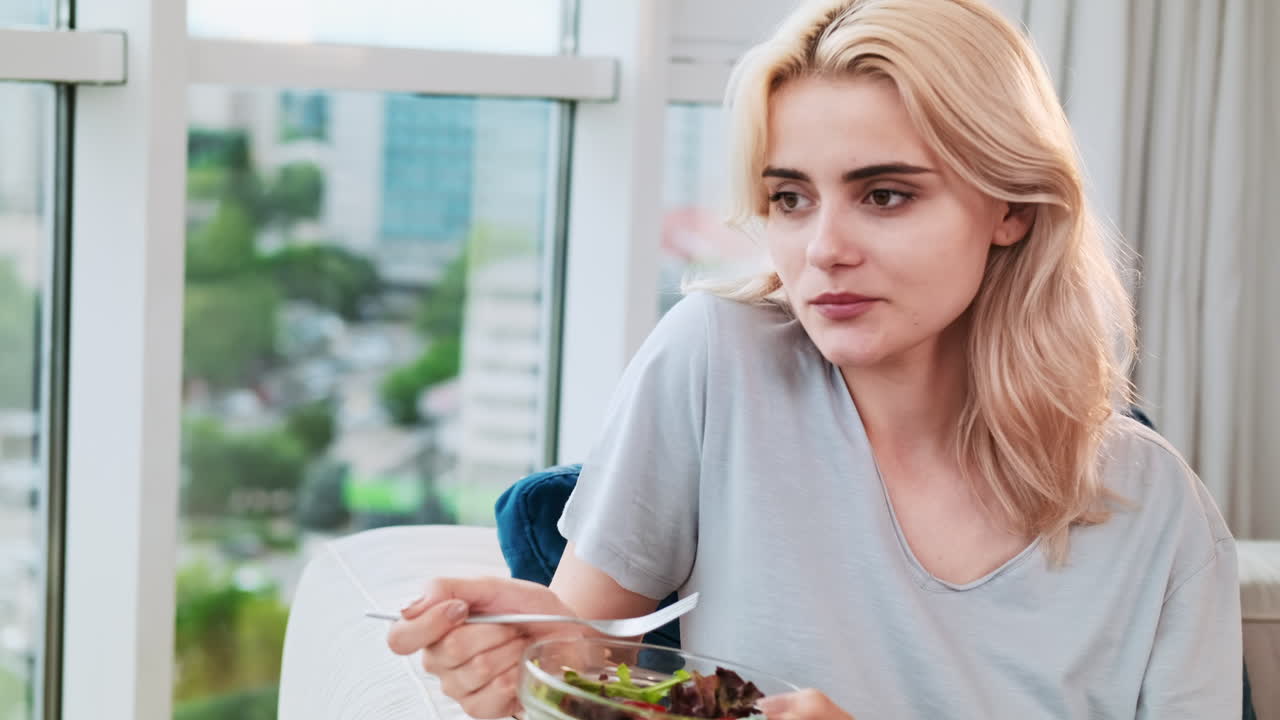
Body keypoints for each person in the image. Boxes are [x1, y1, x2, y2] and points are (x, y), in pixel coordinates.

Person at [386, 0, 1242, 717]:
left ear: (1012, 207)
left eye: (884, 195)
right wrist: (555, 666)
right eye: (789, 197)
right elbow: (585, 664)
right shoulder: (715, 361)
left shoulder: (1155, 513)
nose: (824, 248)